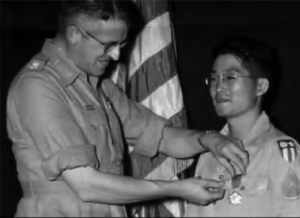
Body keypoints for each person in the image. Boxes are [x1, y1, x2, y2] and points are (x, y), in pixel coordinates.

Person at [6, 1, 249, 217]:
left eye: (121, 44)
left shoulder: (99, 86)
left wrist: (209, 140)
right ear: (73, 35)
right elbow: (87, 185)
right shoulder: (37, 86)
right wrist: (177, 189)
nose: (116, 55)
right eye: (108, 44)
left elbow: (161, 136)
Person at [184, 37, 300, 217]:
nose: (219, 86)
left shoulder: (280, 151)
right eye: (213, 78)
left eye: (230, 77)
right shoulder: (209, 153)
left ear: (261, 86)